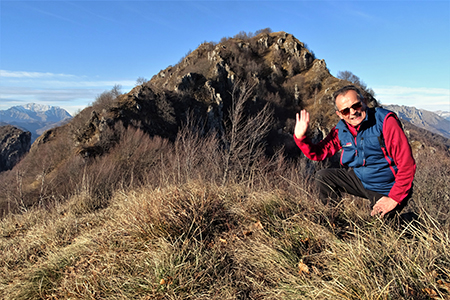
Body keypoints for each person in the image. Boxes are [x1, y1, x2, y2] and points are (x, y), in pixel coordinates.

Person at [294, 85, 416, 218]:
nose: (352, 112)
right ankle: (334, 220)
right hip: (362, 181)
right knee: (323, 177)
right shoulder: (341, 130)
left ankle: (411, 221)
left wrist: (394, 199)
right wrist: (301, 139)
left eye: (356, 105)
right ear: (339, 114)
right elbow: (318, 153)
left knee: (379, 230)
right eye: (345, 111)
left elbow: (407, 164)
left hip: (387, 187)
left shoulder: (385, 121)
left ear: (364, 101)